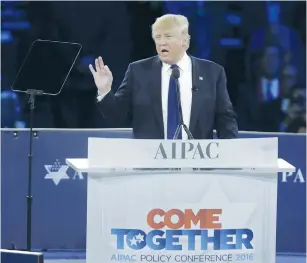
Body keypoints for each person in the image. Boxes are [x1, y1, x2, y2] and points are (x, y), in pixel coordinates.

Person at [89, 14, 238, 139]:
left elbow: (225, 119)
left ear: (185, 40)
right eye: (157, 37)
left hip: (196, 163)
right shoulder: (138, 71)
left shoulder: (212, 72)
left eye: (168, 36)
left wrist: (230, 154)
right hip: (149, 163)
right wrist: (105, 91)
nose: (162, 42)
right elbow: (117, 116)